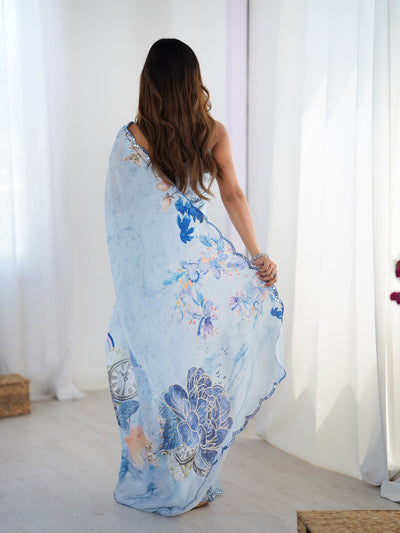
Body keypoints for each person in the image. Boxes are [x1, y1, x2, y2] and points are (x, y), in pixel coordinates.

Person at [105, 38, 285, 516]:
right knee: (190, 378)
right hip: (191, 286)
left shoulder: (132, 137)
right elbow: (233, 195)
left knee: (152, 376)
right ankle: (191, 481)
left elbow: (123, 217)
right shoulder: (212, 132)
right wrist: (256, 254)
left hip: (151, 282)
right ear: (193, 81)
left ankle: (159, 480)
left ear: (150, 83)